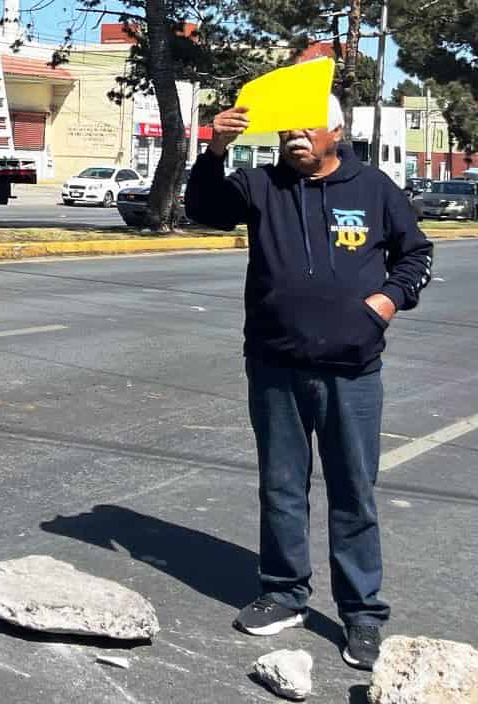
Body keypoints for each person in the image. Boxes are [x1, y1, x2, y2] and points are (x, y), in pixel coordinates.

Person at [185, 94, 433, 673]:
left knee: (353, 493)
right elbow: (204, 207)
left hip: (353, 370)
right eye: (288, 126)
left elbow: (416, 253)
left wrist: (385, 302)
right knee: (281, 486)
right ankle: (284, 592)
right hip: (275, 365)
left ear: (337, 131)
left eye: (309, 125)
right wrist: (214, 148)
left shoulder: (373, 189)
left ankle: (363, 613)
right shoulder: (260, 185)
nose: (296, 134)